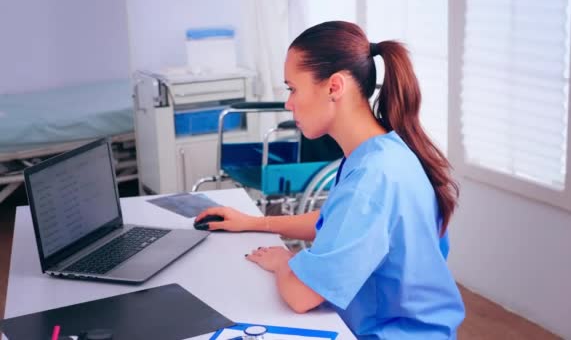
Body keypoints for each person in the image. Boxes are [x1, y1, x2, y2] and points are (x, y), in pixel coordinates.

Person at [195, 21, 465, 339]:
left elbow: (301, 296)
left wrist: (284, 261)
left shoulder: (371, 178)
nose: (288, 103)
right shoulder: (384, 150)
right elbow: (337, 222)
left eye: (293, 88)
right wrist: (254, 222)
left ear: (334, 87)